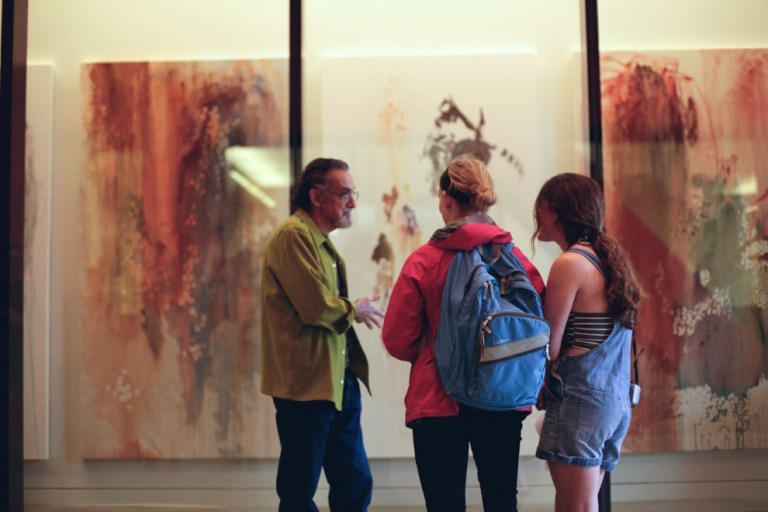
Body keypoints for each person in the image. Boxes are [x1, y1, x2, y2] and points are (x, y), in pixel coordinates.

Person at [382, 155, 545, 512]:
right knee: (502, 501)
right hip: (503, 395)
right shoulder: (515, 258)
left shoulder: (424, 260)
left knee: (444, 504)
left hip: (438, 401)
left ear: (445, 197)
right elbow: (537, 319)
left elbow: (397, 339)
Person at [260, 157, 385, 512]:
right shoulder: (294, 235)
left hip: (335, 381)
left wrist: (349, 307)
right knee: (300, 488)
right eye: (345, 193)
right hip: (306, 386)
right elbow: (315, 307)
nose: (354, 203)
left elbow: (321, 303)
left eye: (353, 194)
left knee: (355, 483)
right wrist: (352, 309)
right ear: (316, 197)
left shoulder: (319, 240)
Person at [532, 173, 643, 512]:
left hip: (581, 402)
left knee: (578, 508)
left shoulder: (569, 264)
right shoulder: (607, 259)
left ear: (553, 210)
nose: (535, 215)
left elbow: (549, 346)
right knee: (574, 505)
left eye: (539, 207)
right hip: (613, 401)